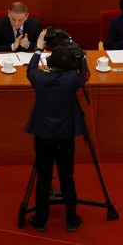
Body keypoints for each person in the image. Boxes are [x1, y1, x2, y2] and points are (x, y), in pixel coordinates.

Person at [25, 28, 87, 234]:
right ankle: (71, 219)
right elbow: (85, 74)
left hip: (43, 136)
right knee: (67, 177)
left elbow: (31, 69)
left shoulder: (39, 80)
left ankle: (41, 220)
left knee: (44, 178)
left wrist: (38, 48)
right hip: (65, 137)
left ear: (51, 63)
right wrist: (79, 55)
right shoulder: (72, 80)